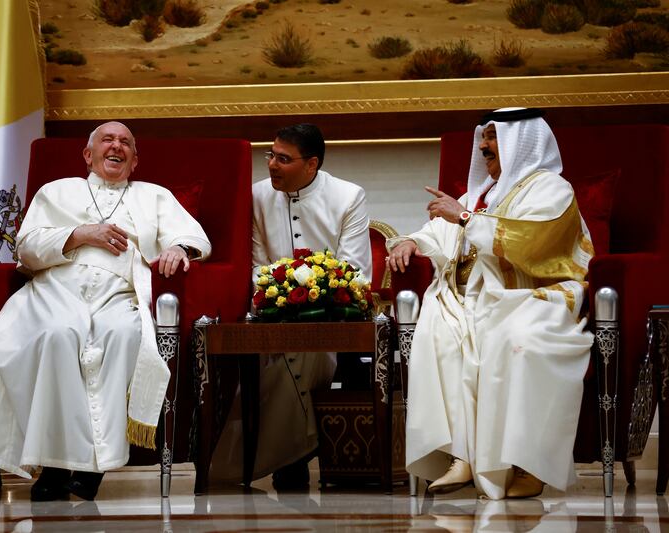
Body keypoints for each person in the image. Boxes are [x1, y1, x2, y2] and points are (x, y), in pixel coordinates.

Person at [0, 121, 211, 501]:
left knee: (123, 336)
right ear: (88, 155)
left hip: (120, 292)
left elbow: (192, 236)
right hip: (56, 289)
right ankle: (54, 468)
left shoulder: (154, 195)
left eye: (125, 143)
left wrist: (178, 248)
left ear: (134, 161)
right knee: (57, 336)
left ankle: (96, 466)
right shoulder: (55, 192)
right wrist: (81, 234)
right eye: (107, 140)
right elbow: (26, 247)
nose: (116, 146)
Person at [386, 108, 593, 500]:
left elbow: (532, 244)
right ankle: (461, 456)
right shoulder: (481, 193)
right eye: (483, 137)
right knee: (443, 333)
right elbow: (440, 230)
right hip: (473, 296)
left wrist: (463, 216)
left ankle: (527, 465)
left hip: (533, 295)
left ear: (522, 141)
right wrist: (412, 242)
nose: (483, 146)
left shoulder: (550, 189)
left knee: (514, 339)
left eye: (494, 138)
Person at [210, 123, 372, 489]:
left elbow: (356, 270)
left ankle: (283, 456)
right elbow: (253, 263)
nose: (272, 165)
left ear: (312, 164)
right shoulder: (255, 196)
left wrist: (317, 292)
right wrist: (277, 291)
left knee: (301, 347)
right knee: (287, 345)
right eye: (271, 155)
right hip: (270, 314)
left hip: (331, 319)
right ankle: (297, 450)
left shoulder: (348, 196)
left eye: (284, 159)